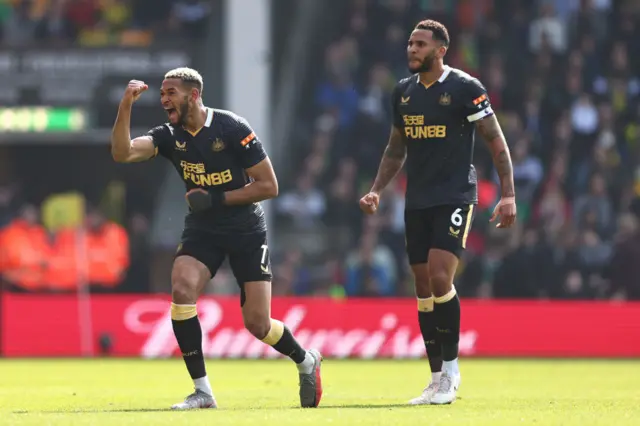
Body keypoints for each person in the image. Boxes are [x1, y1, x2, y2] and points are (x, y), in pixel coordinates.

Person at [110, 67, 323, 410]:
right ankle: (203, 392)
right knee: (181, 290)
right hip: (203, 228)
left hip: (245, 230)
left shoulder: (231, 127)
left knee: (257, 324)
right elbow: (123, 153)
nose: (164, 99)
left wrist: (217, 199)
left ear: (193, 95)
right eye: (162, 93)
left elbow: (269, 186)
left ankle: (305, 360)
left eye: (171, 93)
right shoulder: (168, 134)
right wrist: (125, 105)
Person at [359, 20, 516, 405]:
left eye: (420, 44)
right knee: (423, 287)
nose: (412, 49)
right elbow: (396, 148)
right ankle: (433, 378)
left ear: (440, 50)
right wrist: (376, 189)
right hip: (419, 199)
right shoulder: (403, 93)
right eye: (410, 43)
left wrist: (508, 195)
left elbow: (496, 142)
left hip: (456, 195)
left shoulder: (465, 88)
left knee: (441, 276)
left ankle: (451, 369)